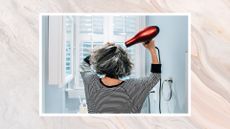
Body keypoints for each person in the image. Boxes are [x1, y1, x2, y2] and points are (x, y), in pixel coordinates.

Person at [80, 40, 161, 113]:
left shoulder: (91, 82)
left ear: (100, 62)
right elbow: (155, 76)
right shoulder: (133, 87)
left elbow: (83, 65)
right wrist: (152, 49)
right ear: (126, 64)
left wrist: (104, 52)